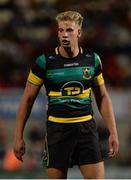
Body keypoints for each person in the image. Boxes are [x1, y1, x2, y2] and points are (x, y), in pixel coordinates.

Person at [14, 11, 119, 179]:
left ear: (79, 32)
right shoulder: (44, 62)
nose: (64, 34)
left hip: (86, 129)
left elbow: (103, 97)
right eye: (61, 30)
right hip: (58, 131)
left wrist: (113, 131)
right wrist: (18, 136)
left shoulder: (92, 60)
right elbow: (27, 100)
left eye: (69, 30)